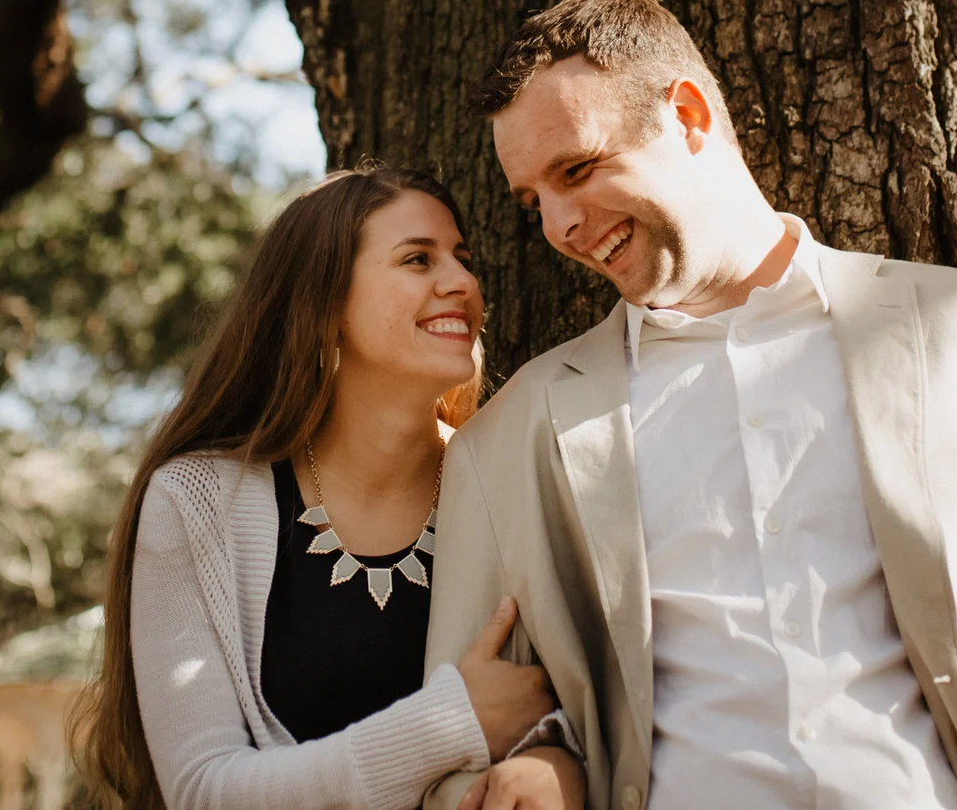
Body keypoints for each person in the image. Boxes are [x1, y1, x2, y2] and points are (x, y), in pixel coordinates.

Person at [423, 0, 957, 810]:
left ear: (687, 115)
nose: (561, 225)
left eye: (577, 168)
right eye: (533, 200)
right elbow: (457, 752)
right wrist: (550, 766)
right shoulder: (502, 442)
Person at [82, 164, 582, 810]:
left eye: (462, 257)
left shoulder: (516, 483)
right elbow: (204, 790)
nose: (462, 281)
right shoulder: (198, 501)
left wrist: (558, 761)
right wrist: (448, 724)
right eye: (417, 259)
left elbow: (593, 694)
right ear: (323, 302)